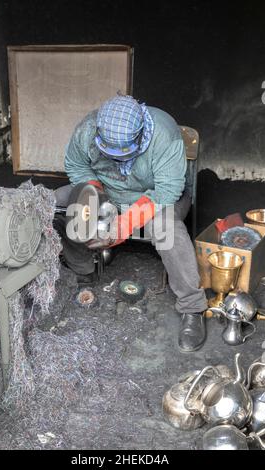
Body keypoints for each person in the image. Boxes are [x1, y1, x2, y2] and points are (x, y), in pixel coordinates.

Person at [55, 94, 208, 352]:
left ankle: (192, 307)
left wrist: (124, 225)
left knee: (166, 230)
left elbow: (168, 190)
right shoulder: (88, 129)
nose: (116, 159)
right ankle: (84, 270)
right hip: (109, 191)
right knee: (59, 205)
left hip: (156, 197)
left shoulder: (163, 134)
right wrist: (94, 196)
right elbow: (76, 166)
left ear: (140, 136)